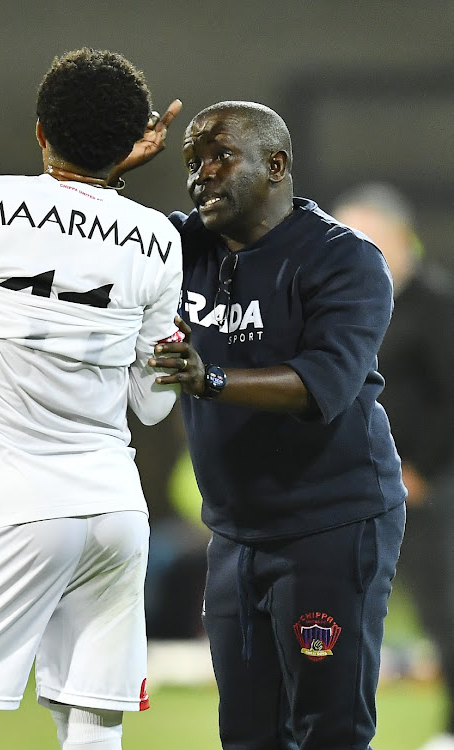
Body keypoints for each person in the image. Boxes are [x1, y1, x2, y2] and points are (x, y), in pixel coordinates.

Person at [0, 48, 183, 750]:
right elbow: (154, 404)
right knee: (87, 722)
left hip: (9, 512)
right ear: (128, 147)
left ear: (40, 132)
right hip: (113, 513)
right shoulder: (158, 241)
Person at [126, 100, 408, 749]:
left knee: (328, 727)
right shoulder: (179, 245)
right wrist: (111, 168)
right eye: (193, 162)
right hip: (235, 532)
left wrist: (210, 379)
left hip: (331, 522)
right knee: (248, 733)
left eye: (220, 156)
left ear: (276, 164)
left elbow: (324, 385)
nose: (201, 176)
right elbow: (96, 237)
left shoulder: (345, 260)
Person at [333, 184, 454, 750]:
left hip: (429, 488)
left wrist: (419, 468)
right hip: (355, 486)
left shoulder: (436, 304)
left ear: (400, 240)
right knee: (332, 611)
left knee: (443, 608)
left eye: (363, 237)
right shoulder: (345, 304)